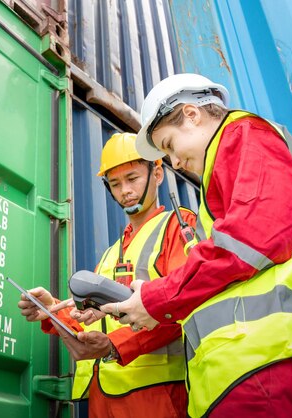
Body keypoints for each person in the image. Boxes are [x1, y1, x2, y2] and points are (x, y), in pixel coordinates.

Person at [101, 74, 292, 417]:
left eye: (171, 146)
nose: (174, 163)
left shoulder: (243, 135)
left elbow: (253, 237)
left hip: (274, 370)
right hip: (258, 375)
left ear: (191, 115)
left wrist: (156, 298)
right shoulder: (225, 172)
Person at [17, 132, 196, 418]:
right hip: (103, 401)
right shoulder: (110, 254)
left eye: (132, 178)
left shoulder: (178, 226)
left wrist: (114, 346)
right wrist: (52, 311)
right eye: (115, 183)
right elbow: (95, 329)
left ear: (158, 173)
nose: (125, 191)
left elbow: (186, 306)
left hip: (158, 399)